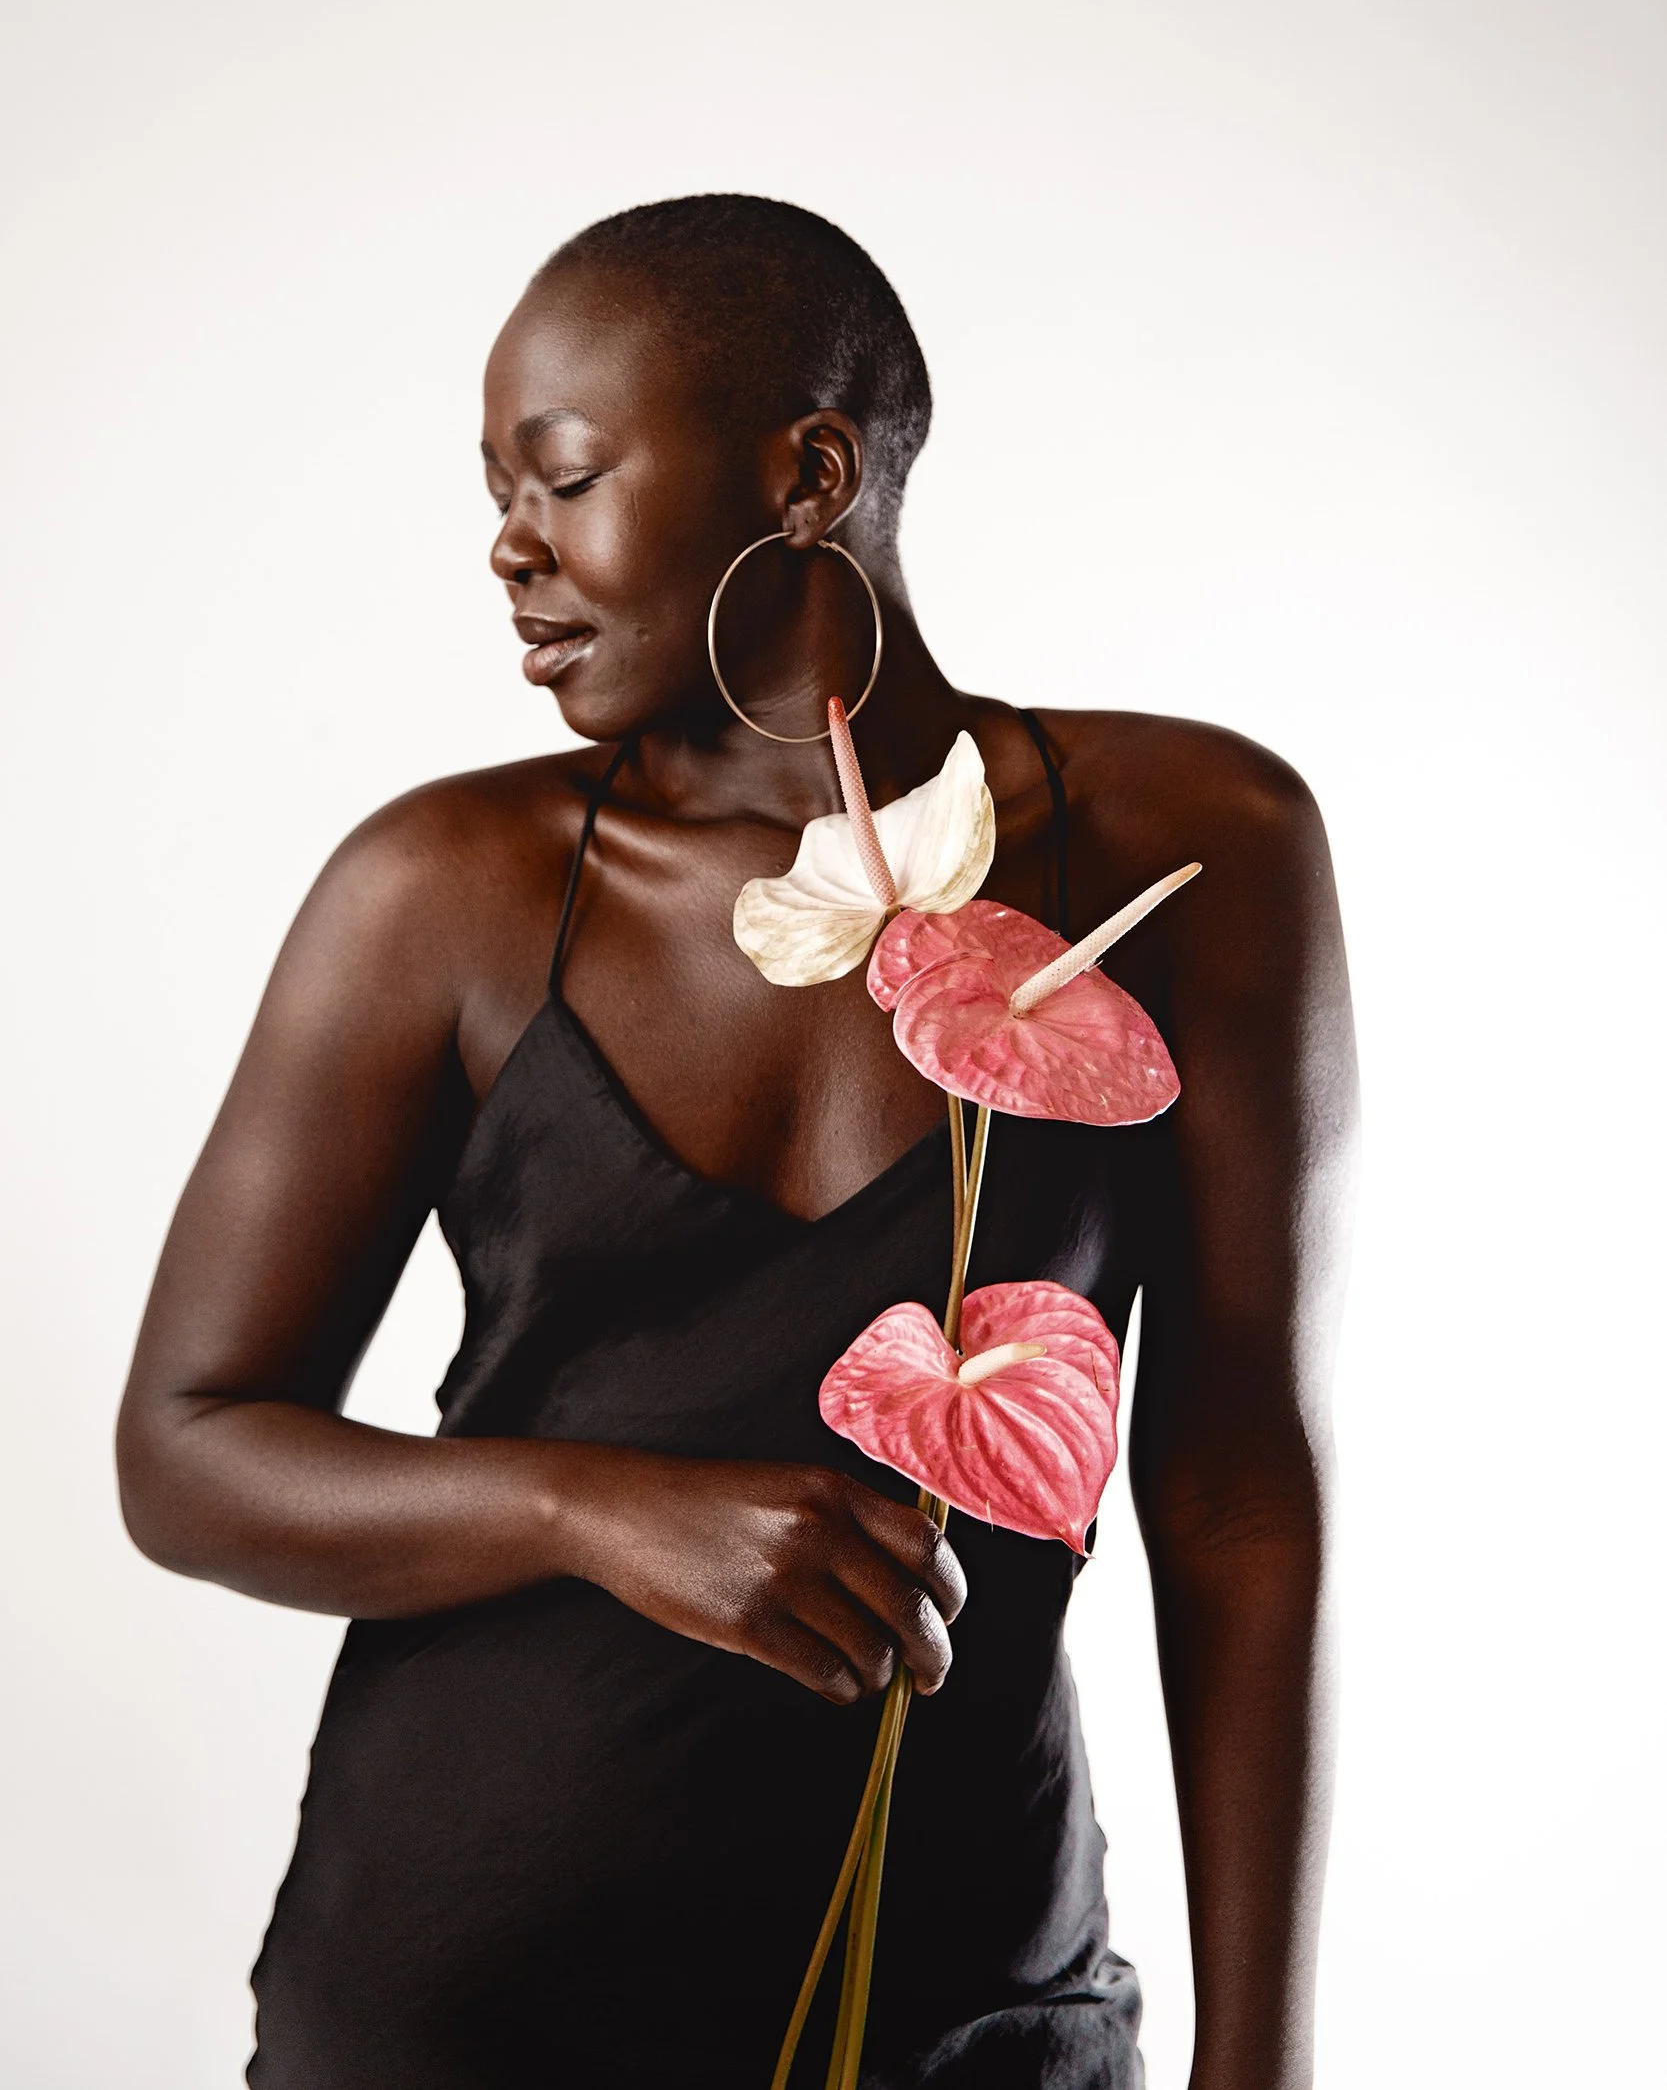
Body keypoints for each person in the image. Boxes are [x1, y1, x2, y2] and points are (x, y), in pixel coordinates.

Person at [118, 195, 1354, 2090]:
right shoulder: (443, 893)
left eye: (567, 476)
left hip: (970, 2015)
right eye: (498, 492)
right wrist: (594, 1509)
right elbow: (186, 1456)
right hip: (459, 2005)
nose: (510, 548)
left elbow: (1235, 1482)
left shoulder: (1184, 853)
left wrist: (1257, 2067)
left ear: (808, 473)